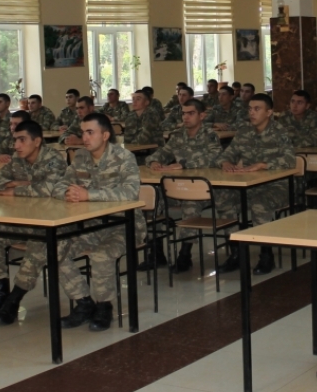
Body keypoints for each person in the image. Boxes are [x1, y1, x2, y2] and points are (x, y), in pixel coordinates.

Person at [0, 120, 68, 325]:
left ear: (37, 141)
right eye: (15, 140)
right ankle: (0, 294)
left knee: (38, 244)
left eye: (22, 140)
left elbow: (51, 189)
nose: (16, 145)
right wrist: (16, 182)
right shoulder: (17, 159)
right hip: (23, 221)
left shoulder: (53, 159)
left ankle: (14, 300)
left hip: (52, 223)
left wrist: (17, 190)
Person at [55, 113, 145, 332]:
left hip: (124, 225)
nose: (84, 138)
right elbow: (59, 185)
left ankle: (105, 307)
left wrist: (89, 195)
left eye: (90, 132)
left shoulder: (124, 157)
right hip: (92, 225)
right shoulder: (80, 158)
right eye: (83, 132)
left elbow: (131, 193)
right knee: (56, 249)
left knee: (101, 255)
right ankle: (84, 303)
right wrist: (68, 193)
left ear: (105, 135)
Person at [213, 93, 296, 275]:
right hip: (250, 185)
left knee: (260, 205)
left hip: (277, 186)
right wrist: (225, 162)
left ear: (269, 112)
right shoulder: (244, 131)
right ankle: (236, 252)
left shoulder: (279, 131)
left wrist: (263, 165)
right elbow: (227, 154)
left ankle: (266, 255)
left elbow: (291, 160)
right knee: (223, 198)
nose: (252, 112)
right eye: (250, 109)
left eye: (257, 109)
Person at [145, 99, 222, 273]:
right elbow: (162, 153)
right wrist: (155, 161)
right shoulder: (178, 135)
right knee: (152, 201)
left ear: (202, 116)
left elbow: (215, 157)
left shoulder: (209, 135)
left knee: (190, 205)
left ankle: (185, 254)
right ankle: (156, 252)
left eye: (191, 113)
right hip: (178, 187)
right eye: (184, 113)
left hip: (202, 189)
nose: (186, 117)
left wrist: (184, 164)